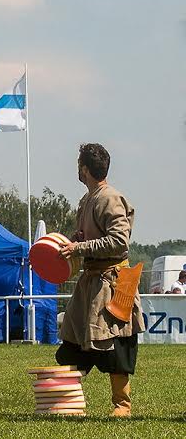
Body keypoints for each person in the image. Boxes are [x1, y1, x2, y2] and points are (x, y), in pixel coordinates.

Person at [56, 143, 145, 417]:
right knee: (73, 341)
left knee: (117, 344)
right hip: (91, 281)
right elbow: (88, 237)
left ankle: (122, 406)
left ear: (84, 169)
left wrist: (80, 249)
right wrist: (71, 243)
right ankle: (68, 403)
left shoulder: (110, 198)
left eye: (78, 165)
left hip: (115, 281)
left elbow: (119, 242)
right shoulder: (87, 200)